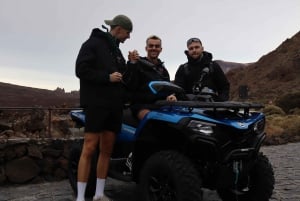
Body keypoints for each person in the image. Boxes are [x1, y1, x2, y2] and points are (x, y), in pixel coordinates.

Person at [75, 14, 133, 201]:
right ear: (118, 29)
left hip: (115, 107)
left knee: (107, 150)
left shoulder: (117, 51)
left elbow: (123, 77)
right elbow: (81, 70)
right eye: (128, 32)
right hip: (97, 104)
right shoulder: (92, 44)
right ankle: (81, 197)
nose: (128, 37)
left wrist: (130, 65)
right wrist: (106, 77)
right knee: (89, 148)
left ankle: (99, 195)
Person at [127, 35, 176, 120]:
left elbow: (169, 89)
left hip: (161, 105)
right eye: (151, 46)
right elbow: (130, 84)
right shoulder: (137, 64)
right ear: (146, 48)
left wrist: (171, 96)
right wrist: (132, 64)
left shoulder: (163, 70)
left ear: (161, 49)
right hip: (142, 106)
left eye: (157, 46)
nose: (154, 48)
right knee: (152, 120)